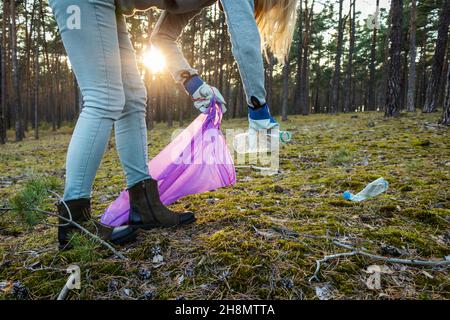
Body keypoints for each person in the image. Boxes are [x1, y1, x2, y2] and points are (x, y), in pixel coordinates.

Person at [49, 0, 296, 249]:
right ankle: (74, 223)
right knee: (104, 98)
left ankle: (144, 205)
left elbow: (162, 38)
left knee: (133, 99)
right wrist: (258, 109)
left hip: (106, 6)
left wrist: (193, 83)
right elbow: (246, 40)